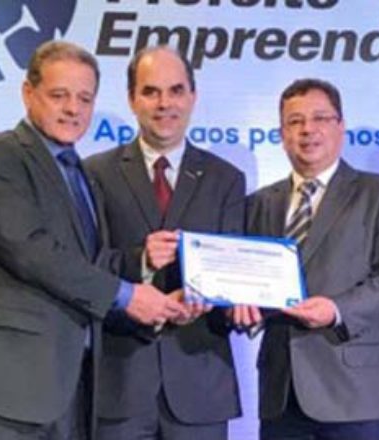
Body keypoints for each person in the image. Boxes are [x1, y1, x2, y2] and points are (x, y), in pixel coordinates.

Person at [0, 41, 188, 440]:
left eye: (84, 98)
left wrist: (144, 268)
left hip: (65, 389)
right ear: (28, 93)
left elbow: (86, 261)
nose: (73, 109)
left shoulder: (81, 174)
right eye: (59, 95)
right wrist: (127, 295)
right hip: (0, 387)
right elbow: (30, 251)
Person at [234, 78, 379, 440]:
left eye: (320, 118)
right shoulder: (258, 204)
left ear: (340, 126)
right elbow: (246, 280)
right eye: (295, 121)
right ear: (281, 134)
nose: (308, 130)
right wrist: (238, 305)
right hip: (282, 396)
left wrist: (336, 309)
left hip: (359, 397)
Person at [85, 46, 244, 440]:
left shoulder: (226, 179)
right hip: (121, 384)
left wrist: (213, 300)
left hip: (199, 384)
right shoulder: (95, 174)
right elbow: (84, 267)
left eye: (175, 91)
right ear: (131, 99)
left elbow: (235, 274)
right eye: (151, 91)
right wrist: (139, 261)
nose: (164, 104)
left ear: (192, 96)